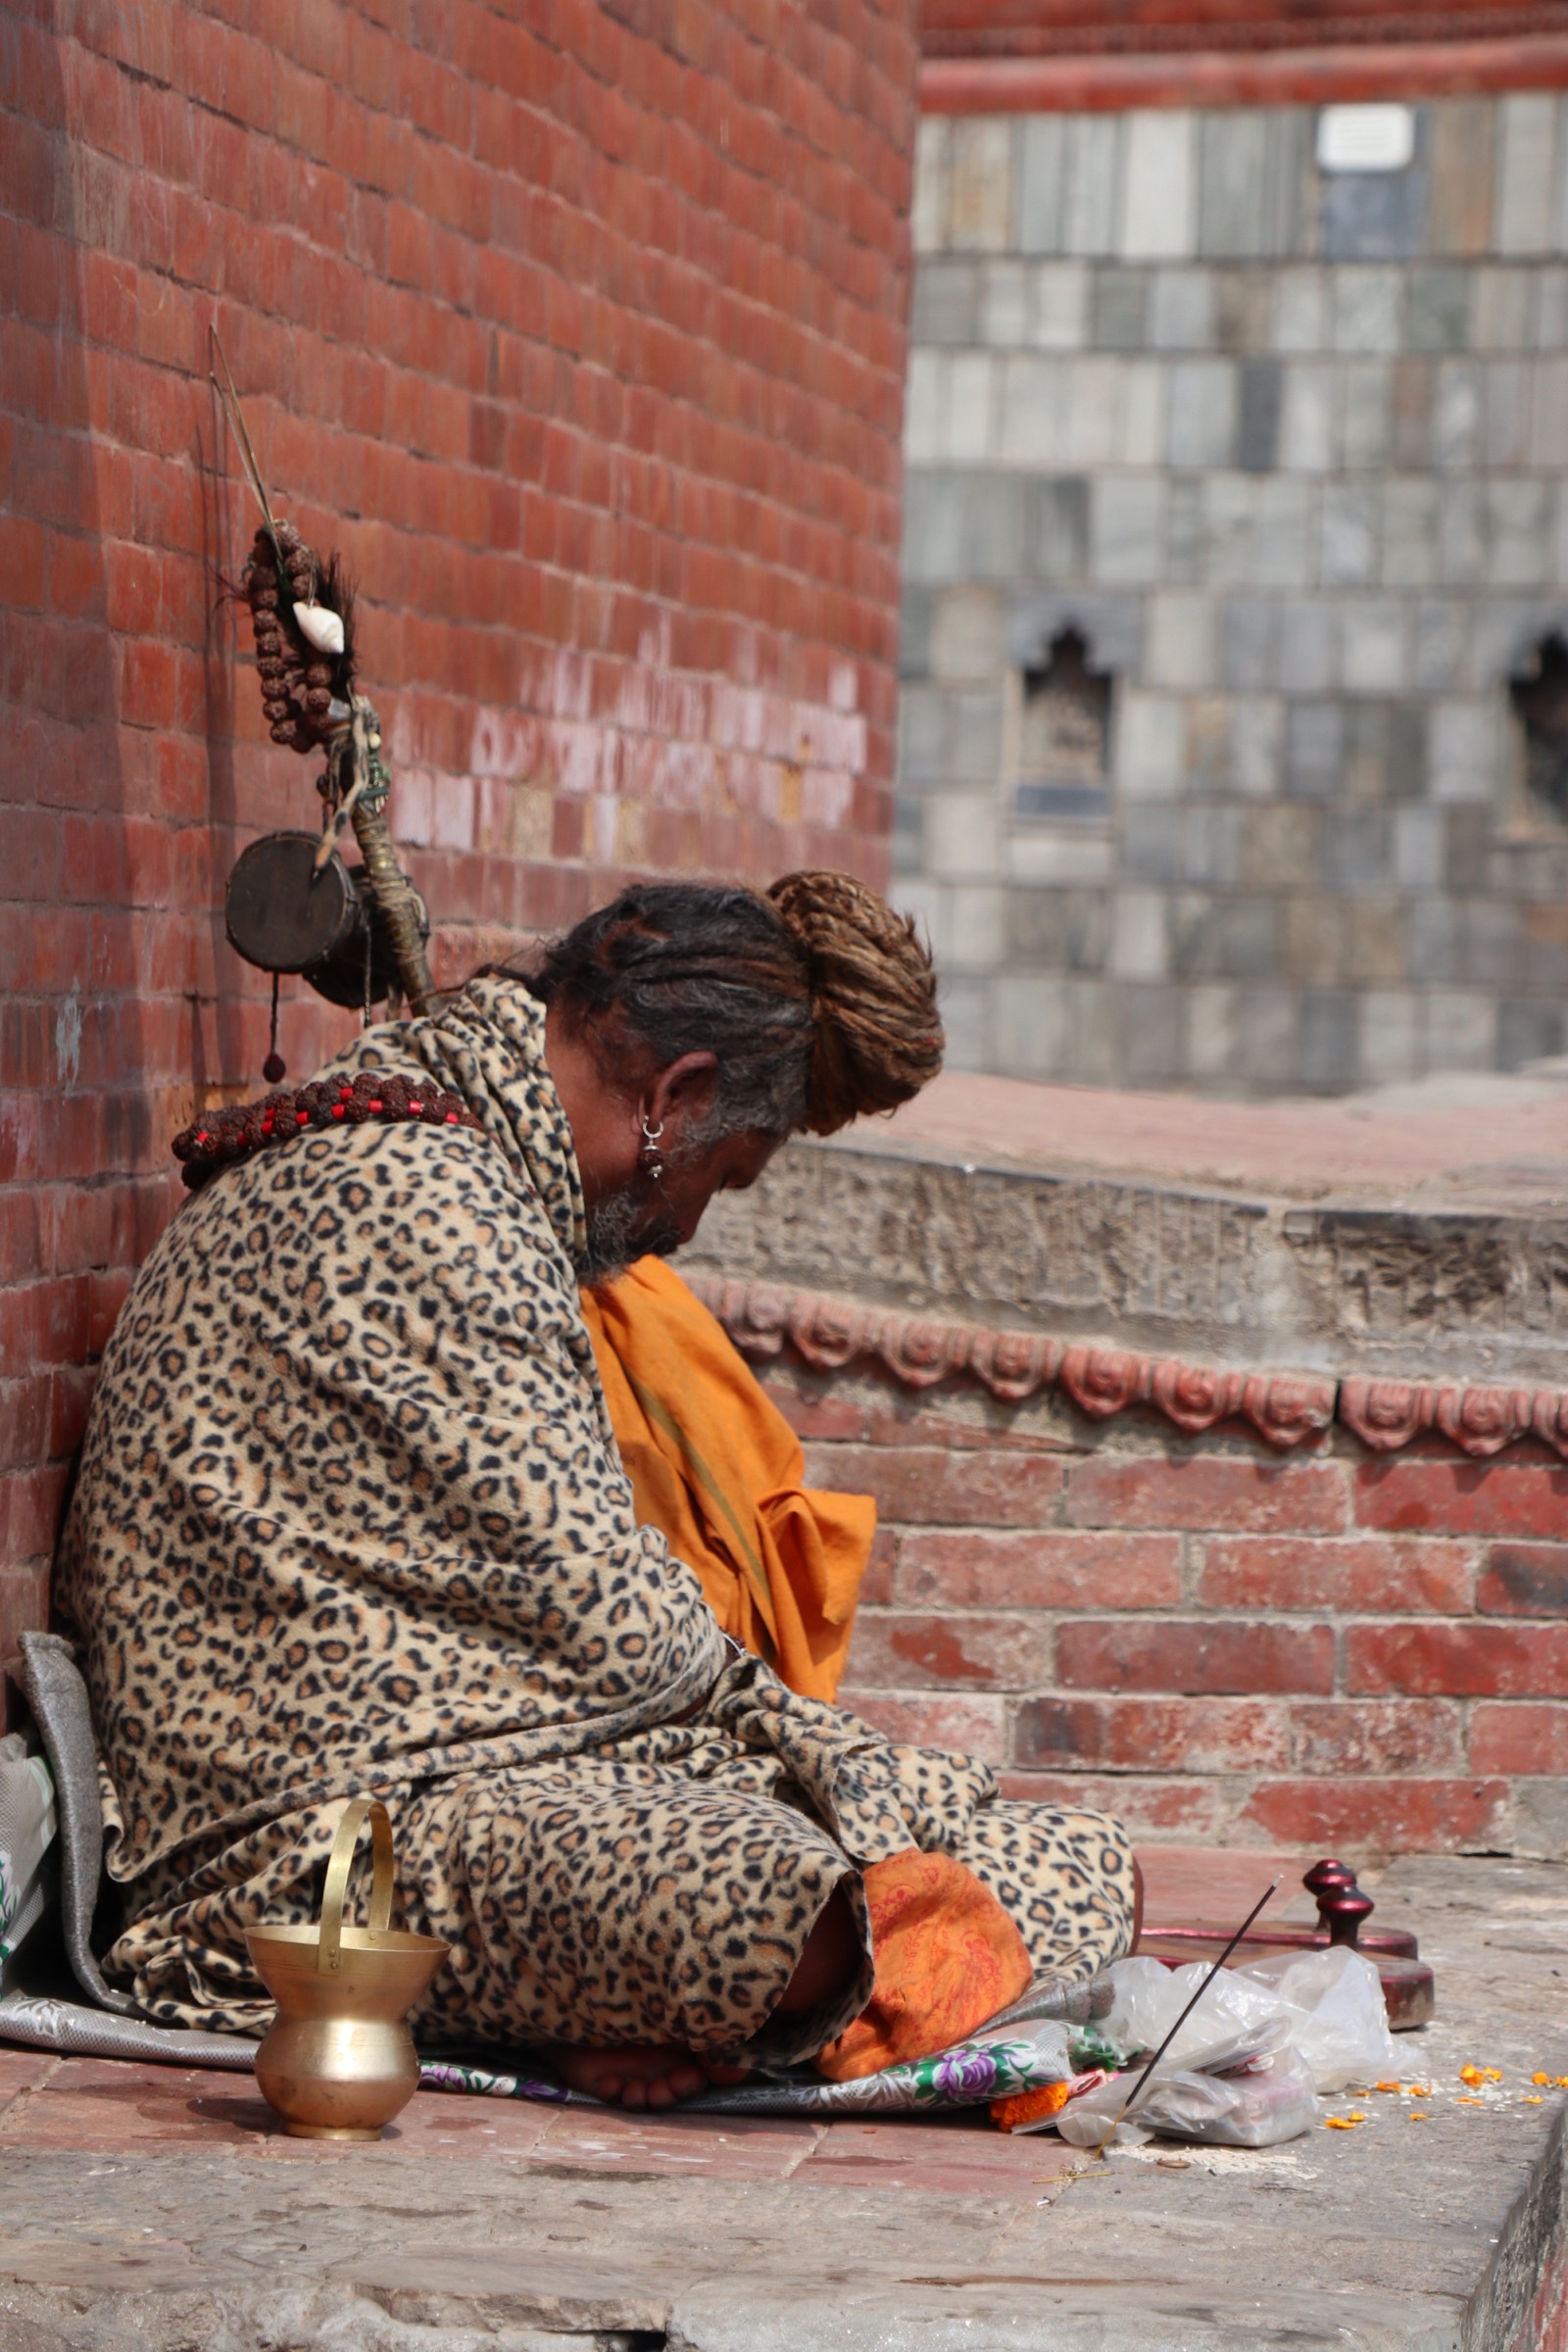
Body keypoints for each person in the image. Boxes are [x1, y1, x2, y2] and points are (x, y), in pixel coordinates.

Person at [55, 872, 1137, 2109]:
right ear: (675, 1098)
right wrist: (853, 1775)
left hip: (475, 1770)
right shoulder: (435, 1206)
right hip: (305, 1849)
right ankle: (729, 1997)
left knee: (1078, 1858)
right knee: (782, 1912)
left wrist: (852, 1782)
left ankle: (661, 2004)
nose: (688, 1224)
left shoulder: (453, 1159)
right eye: (722, 1173)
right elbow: (621, 1639)